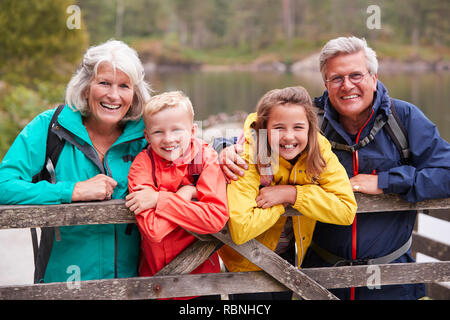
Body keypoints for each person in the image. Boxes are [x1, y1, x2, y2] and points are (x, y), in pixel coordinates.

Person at [220, 36, 450, 300]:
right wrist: (225, 149)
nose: (347, 85)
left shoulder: (404, 119)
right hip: (320, 274)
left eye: (356, 75)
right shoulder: (308, 120)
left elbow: (446, 173)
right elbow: (261, 125)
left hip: (391, 277)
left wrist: (387, 182)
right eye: (336, 78)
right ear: (326, 83)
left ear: (374, 78)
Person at [0, 40, 151, 283]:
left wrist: (225, 153)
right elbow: (3, 185)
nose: (113, 95)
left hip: (137, 288)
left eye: (124, 86)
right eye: (104, 83)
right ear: (85, 86)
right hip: (63, 287)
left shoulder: (150, 133)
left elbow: (195, 159)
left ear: (134, 94)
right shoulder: (50, 127)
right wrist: (72, 190)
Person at [218, 86, 357, 300]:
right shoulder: (247, 155)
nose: (289, 136)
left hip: (288, 259)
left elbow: (346, 210)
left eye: (298, 127)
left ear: (310, 128)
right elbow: (241, 228)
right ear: (264, 127)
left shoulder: (319, 151)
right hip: (248, 261)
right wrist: (280, 205)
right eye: (279, 127)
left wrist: (292, 194)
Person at [125, 91, 228, 300]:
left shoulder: (206, 159)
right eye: (158, 132)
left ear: (192, 130)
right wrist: (186, 193)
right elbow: (154, 230)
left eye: (176, 130)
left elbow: (216, 218)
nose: (168, 139)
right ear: (146, 136)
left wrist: (159, 199)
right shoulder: (142, 166)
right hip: (155, 282)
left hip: (202, 283)